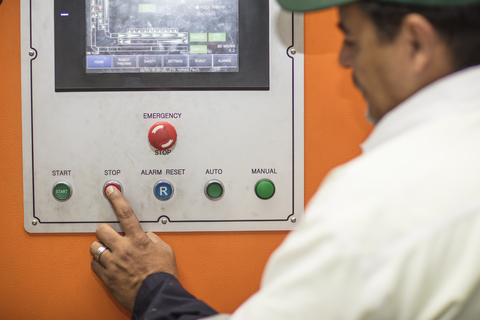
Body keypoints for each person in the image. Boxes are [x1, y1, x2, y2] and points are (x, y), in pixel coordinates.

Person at [90, 0, 480, 319]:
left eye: (353, 40)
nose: (344, 60)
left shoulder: (378, 205)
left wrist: (152, 289)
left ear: (416, 44)